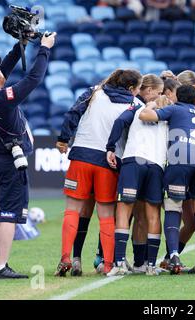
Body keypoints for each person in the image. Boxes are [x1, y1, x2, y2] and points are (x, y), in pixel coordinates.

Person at [0, 33, 56, 279]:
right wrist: (44, 49)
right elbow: (34, 78)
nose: (1, 70)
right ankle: (1, 267)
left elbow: (3, 69)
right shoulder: (1, 99)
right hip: (10, 164)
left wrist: (22, 42)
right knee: (8, 216)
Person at [55, 69, 142, 276]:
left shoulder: (94, 91)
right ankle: (109, 264)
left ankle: (66, 257)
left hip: (81, 156)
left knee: (72, 210)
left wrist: (63, 138)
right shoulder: (135, 104)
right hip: (108, 161)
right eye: (138, 88)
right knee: (106, 215)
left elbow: (72, 112)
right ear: (131, 88)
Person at [139, 85, 195, 275]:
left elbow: (146, 116)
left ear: (176, 97)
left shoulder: (174, 108)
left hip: (180, 157)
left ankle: (173, 256)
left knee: (174, 207)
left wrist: (151, 105)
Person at [104, 74, 167, 276]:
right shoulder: (169, 112)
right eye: (159, 92)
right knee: (153, 214)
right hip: (157, 164)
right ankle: (150, 265)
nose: (160, 95)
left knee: (124, 211)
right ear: (150, 91)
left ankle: (120, 263)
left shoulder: (137, 107)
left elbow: (120, 121)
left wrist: (110, 147)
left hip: (134, 160)